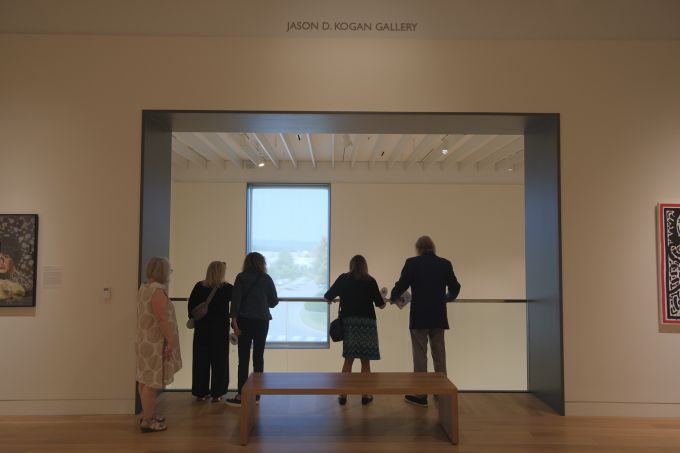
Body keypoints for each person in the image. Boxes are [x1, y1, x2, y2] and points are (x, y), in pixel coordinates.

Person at [390, 236, 461, 408]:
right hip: (438, 315)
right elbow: (455, 287)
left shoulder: (412, 263)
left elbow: (401, 285)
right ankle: (441, 392)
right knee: (439, 354)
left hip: (419, 316)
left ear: (418, 248)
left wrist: (393, 297)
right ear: (433, 248)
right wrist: (446, 299)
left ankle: (421, 394)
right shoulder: (445, 263)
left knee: (420, 356)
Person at [325, 255, 386, 406]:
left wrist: (335, 299)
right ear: (365, 266)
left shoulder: (343, 279)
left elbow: (328, 296)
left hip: (350, 323)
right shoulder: (370, 281)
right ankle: (365, 395)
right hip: (367, 324)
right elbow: (381, 304)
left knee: (348, 359)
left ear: (351, 265)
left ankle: (343, 394)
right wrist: (383, 295)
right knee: (365, 360)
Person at [225, 252, 278, 407]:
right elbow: (274, 301)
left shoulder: (241, 278)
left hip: (244, 321)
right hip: (262, 321)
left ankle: (242, 395)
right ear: (262, 263)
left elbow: (235, 303)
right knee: (258, 357)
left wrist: (234, 323)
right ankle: (256, 394)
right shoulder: (266, 278)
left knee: (243, 359)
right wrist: (261, 301)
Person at [136, 257, 182, 432]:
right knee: (151, 382)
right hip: (154, 342)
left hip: (144, 340)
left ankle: (147, 414)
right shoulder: (157, 291)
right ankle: (148, 420)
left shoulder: (145, 288)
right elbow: (162, 319)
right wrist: (170, 340)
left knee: (145, 379)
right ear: (162, 272)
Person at [188, 261, 232, 402]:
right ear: (221, 272)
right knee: (220, 363)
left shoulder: (199, 286)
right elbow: (238, 302)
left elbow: (191, 308)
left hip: (202, 330)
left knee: (201, 361)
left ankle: (200, 393)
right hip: (220, 331)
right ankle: (217, 393)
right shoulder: (227, 288)